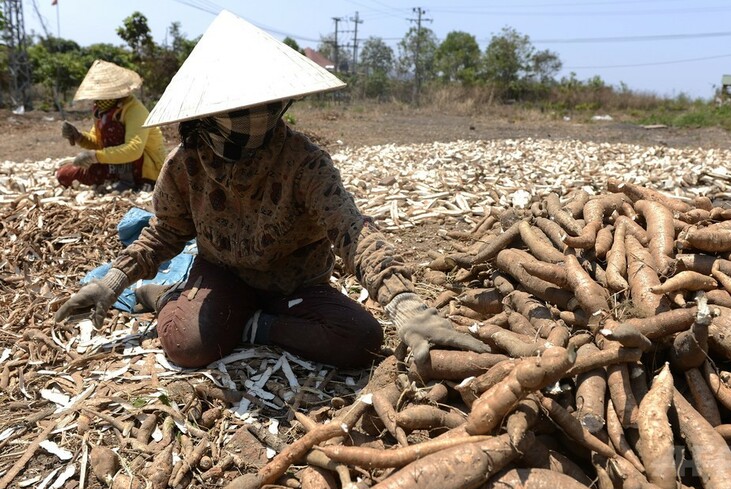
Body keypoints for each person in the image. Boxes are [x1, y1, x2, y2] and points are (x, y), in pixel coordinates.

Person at [54, 11, 488, 370]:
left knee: (362, 341)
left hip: (295, 283)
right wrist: (113, 281)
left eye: (262, 108)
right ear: (205, 113)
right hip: (220, 273)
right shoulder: (186, 165)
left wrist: (404, 302)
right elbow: (164, 232)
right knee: (187, 346)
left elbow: (351, 231)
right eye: (236, 111)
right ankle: (167, 294)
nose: (253, 122)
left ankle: (253, 324)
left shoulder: (305, 163)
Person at [57, 59, 167, 192]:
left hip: (143, 169)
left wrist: (94, 157)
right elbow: (99, 143)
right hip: (113, 163)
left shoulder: (134, 110)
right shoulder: (103, 111)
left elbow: (133, 150)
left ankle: (130, 182)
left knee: (113, 129)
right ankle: (115, 179)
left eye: (102, 96)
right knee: (65, 175)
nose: (97, 101)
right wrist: (79, 137)